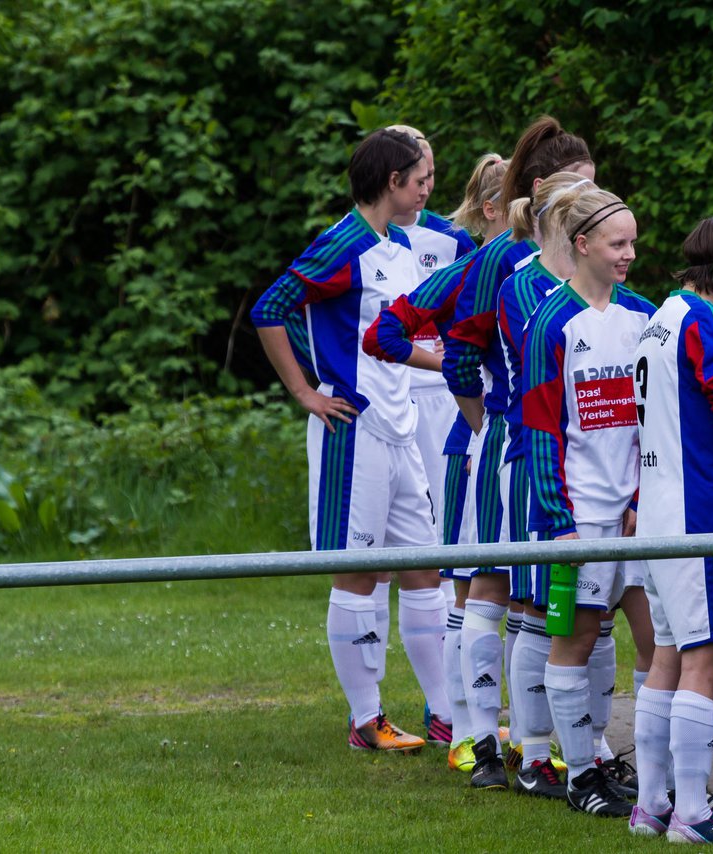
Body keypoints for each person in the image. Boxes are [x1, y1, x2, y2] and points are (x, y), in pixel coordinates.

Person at [249, 128, 443, 752]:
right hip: (351, 430)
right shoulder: (342, 245)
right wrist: (306, 391)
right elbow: (269, 308)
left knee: (423, 569)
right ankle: (366, 720)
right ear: (393, 182)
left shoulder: (406, 243)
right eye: (420, 180)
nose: (427, 190)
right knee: (358, 574)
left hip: (403, 427)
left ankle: (445, 714)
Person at [442, 116, 596, 789]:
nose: (589, 200)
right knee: (496, 585)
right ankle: (482, 742)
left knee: (545, 596)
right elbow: (458, 348)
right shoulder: (502, 261)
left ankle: (545, 747)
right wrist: (486, 424)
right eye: (576, 189)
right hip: (513, 442)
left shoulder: (591, 262)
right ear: (542, 191)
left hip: (577, 451)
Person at [362, 152, 509, 769]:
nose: (426, 190)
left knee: (490, 576)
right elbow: (388, 332)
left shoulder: (465, 247)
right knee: (457, 571)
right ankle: (457, 721)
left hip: (470, 414)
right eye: (419, 178)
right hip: (436, 413)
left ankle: (477, 720)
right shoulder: (452, 251)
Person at [629, 215, 713, 843]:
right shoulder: (705, 319)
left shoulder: (660, 315)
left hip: (655, 504)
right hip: (696, 507)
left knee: (666, 653)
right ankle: (691, 812)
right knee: (705, 656)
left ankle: (650, 805)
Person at [522, 184, 655, 816]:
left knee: (660, 642)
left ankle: (648, 776)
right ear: (582, 245)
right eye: (618, 243)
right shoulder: (550, 321)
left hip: (640, 513)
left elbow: (655, 417)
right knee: (574, 640)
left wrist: (645, 497)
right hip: (581, 516)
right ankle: (580, 776)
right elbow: (540, 430)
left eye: (632, 242)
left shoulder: (645, 317)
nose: (630, 254)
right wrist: (558, 521)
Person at [495, 170, 586, 799]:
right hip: (537, 465)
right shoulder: (524, 287)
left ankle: (591, 746)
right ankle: (533, 756)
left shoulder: (614, 297)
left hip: (602, 478)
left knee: (591, 617)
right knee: (534, 609)